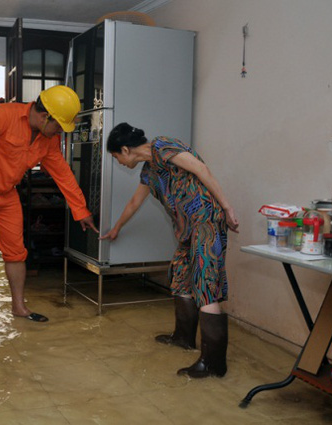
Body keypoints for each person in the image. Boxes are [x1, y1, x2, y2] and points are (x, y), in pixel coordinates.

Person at [100, 123, 239, 378]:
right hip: (189, 228)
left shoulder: (163, 146)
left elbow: (200, 169)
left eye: (116, 157)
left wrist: (228, 208)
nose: (118, 162)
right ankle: (183, 337)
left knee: (205, 283)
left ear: (125, 149)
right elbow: (134, 202)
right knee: (181, 276)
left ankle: (213, 363)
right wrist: (117, 227)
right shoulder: (149, 171)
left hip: (206, 219)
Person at [0, 85, 99, 332]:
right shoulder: (2, 115)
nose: (59, 133)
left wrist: (81, 210)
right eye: (58, 126)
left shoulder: (49, 138)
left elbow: (62, 172)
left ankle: (19, 306)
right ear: (45, 117)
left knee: (16, 252)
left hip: (7, 194)